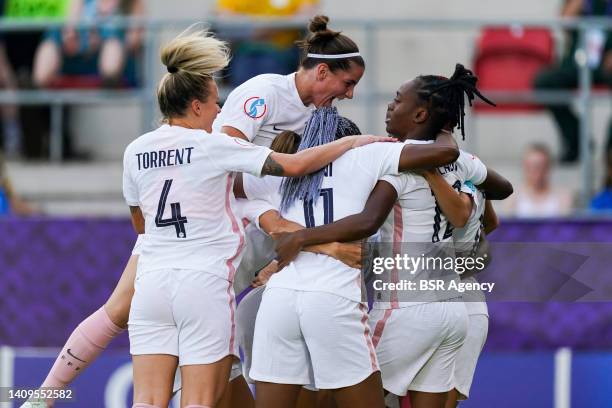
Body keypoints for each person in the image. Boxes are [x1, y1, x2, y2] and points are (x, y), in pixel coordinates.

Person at [24, 14, 371, 407]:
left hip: (215, 242)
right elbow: (231, 166)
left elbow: (143, 216)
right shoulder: (264, 95)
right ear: (323, 70)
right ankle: (43, 395)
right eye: (348, 83)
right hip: (215, 230)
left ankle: (40, 398)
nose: (350, 94)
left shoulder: (139, 149)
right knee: (119, 311)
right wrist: (359, 146)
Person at [273, 64, 513, 408]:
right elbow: (503, 190)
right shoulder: (464, 162)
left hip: (406, 308)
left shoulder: (394, 164)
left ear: (419, 113)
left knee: (335, 397)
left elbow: (368, 220)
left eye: (397, 100)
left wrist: (303, 237)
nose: (389, 106)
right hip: (458, 309)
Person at [533, 0, 612, 162]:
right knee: (545, 82)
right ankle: (578, 141)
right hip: (578, 61)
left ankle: (609, 153)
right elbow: (565, 22)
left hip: (607, 61)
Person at [32, 0, 144, 88]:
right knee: (50, 41)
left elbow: (133, 43)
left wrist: (103, 38)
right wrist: (83, 41)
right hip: (78, 55)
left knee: (112, 43)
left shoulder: (133, 3)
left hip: (116, 63)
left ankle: (110, 79)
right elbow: (69, 34)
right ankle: (36, 85)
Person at [504, 143, 573, 217]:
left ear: (548, 167)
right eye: (530, 166)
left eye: (539, 166)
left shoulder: (563, 196)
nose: (534, 171)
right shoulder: (513, 198)